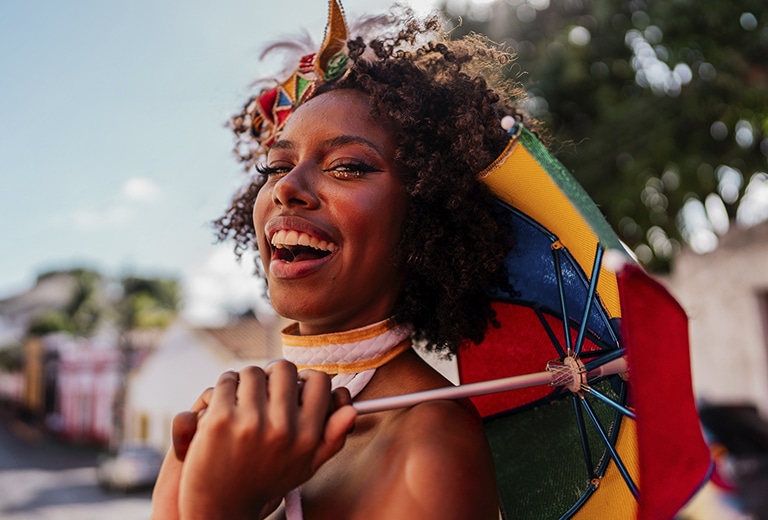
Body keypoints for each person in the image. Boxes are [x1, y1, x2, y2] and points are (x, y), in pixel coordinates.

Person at [151, 1, 534, 518]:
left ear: (427, 213)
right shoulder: (238, 424)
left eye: (348, 166)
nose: (287, 187)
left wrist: (217, 507)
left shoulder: (430, 444)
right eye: (277, 164)